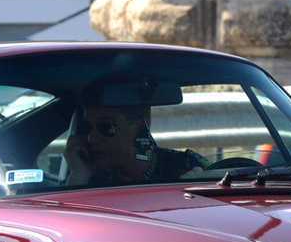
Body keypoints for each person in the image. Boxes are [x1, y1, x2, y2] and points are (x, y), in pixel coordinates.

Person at [64, 77, 209, 187]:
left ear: (140, 126)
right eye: (88, 127)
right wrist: (78, 176)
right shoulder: (89, 178)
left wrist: (197, 188)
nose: (92, 138)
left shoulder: (187, 165)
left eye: (106, 127)